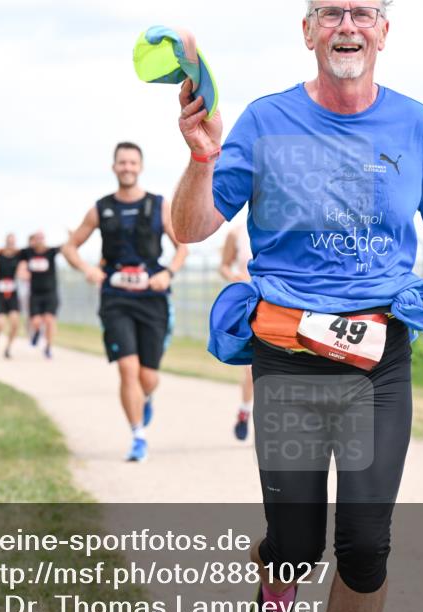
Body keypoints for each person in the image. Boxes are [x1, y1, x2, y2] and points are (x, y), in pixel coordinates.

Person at [172, 3, 423, 612]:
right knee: (295, 546)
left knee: (364, 545)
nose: (347, 25)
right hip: (287, 358)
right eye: (330, 12)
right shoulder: (266, 120)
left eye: (362, 12)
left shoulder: (414, 122)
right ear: (307, 31)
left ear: (384, 29)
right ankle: (275, 595)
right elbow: (190, 227)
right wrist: (202, 157)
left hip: (378, 361)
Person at [63, 141, 189, 463]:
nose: (127, 168)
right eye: (122, 162)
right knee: (127, 368)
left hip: (152, 299)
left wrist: (168, 274)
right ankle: (138, 437)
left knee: (148, 377)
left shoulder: (159, 205)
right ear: (114, 167)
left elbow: (182, 246)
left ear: (140, 167)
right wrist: (88, 270)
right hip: (116, 299)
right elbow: (70, 247)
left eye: (132, 162)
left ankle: (146, 398)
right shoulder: (101, 208)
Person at [219, 220, 254, 440]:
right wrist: (233, 277)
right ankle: (245, 411)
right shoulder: (237, 233)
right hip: (248, 302)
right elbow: (224, 265)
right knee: (251, 367)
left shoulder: (284, 226)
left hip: (277, 302)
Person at [18, 231, 62, 359]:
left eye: (41, 238)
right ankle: (36, 332)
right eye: (37, 238)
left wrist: (72, 237)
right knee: (36, 321)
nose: (39, 240)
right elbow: (13, 254)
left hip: (50, 293)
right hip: (35, 293)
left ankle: (48, 347)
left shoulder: (51, 252)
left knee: (49, 320)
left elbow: (66, 247)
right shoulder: (27, 253)